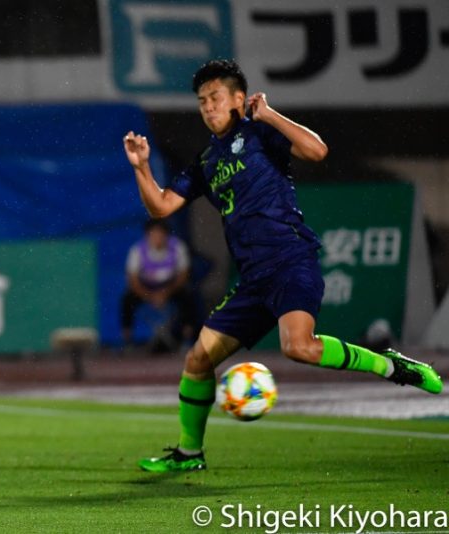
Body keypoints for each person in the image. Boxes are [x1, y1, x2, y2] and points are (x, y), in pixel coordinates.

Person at [122, 59, 443, 473]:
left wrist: (269, 114)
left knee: (299, 348)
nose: (208, 107)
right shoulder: (206, 161)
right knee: (198, 361)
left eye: (215, 98)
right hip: (252, 279)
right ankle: (189, 453)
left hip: (290, 259)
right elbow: (162, 205)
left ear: (239, 99)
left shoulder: (260, 134)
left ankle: (393, 366)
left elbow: (318, 151)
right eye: (202, 101)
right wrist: (142, 168)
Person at [121, 218, 197, 351]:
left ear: (167, 235)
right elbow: (132, 280)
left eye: (160, 234)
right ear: (147, 235)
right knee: (126, 300)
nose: (157, 237)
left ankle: (187, 340)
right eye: (153, 234)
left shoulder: (178, 247)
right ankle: (128, 342)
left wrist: (165, 293)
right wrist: (149, 296)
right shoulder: (137, 250)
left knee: (189, 297)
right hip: (146, 288)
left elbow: (183, 275)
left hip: (171, 287)